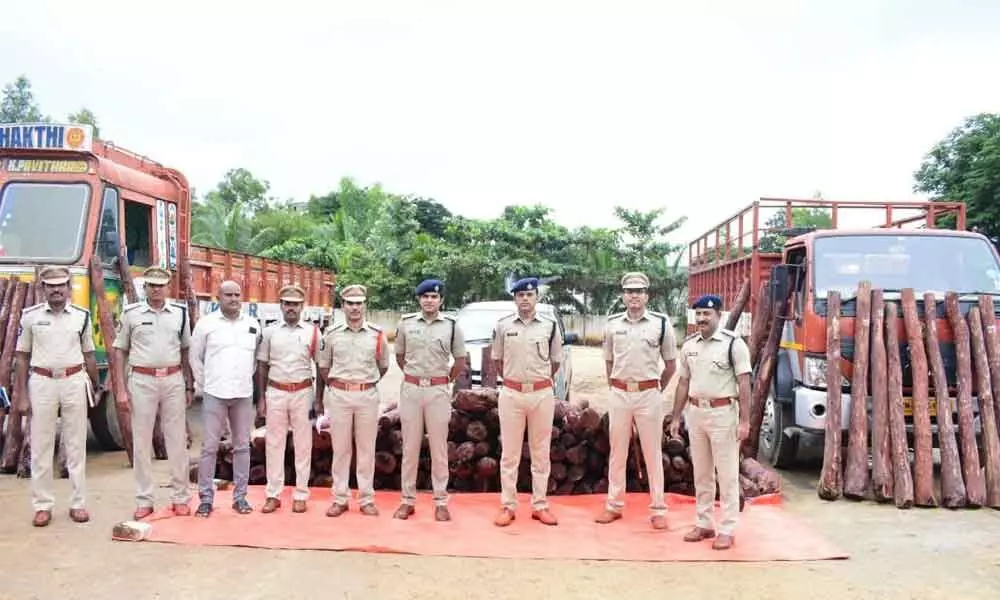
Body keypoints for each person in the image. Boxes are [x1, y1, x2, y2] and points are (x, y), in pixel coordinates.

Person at [15, 265, 100, 527]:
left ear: (68, 288)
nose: (56, 291)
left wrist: (96, 385)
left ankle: (78, 503)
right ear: (43, 288)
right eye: (50, 286)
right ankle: (42, 505)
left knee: (76, 444)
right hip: (41, 381)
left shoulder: (81, 317)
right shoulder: (29, 317)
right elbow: (21, 356)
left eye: (61, 285)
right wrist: (21, 394)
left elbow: (88, 354)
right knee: (41, 445)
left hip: (74, 379)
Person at [668, 294, 752, 550]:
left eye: (707, 314)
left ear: (719, 315)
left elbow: (745, 383)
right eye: (699, 314)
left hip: (723, 414)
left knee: (726, 474)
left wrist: (745, 421)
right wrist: (675, 416)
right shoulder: (690, 345)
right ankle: (704, 523)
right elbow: (683, 382)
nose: (702, 318)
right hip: (696, 414)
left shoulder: (732, 345)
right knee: (701, 473)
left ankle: (727, 528)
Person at [112, 266, 195, 520]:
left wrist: (189, 385)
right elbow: (119, 351)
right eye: (151, 285)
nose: (156, 289)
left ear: (168, 287)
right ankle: (144, 499)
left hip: (172, 379)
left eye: (160, 285)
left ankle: (180, 497)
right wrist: (120, 389)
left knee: (177, 440)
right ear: (144, 287)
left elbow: (185, 351)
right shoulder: (132, 314)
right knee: (141, 441)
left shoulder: (180, 314)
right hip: (142, 380)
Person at [595, 272, 676, 529]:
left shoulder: (661, 324)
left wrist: (655, 389)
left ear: (647, 296)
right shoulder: (612, 324)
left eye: (639, 291)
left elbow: (671, 365)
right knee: (617, 452)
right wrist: (616, 387)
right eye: (629, 291)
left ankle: (658, 509)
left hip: (649, 394)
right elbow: (608, 361)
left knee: (653, 453)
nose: (634, 296)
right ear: (623, 295)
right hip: (619, 393)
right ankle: (614, 505)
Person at [392, 279, 467, 522]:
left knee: (439, 448)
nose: (429, 301)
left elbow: (459, 362)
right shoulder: (405, 324)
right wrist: (415, 377)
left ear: (441, 300)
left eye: (434, 297)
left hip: (437, 391)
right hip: (412, 389)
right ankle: (407, 500)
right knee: (410, 448)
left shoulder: (452, 327)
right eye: (425, 297)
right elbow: (400, 357)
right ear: (419, 299)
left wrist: (443, 380)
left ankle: (441, 501)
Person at [491, 277, 562, 527]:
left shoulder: (550, 326)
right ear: (514, 298)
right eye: (520, 295)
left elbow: (555, 362)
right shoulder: (502, 326)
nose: (524, 299)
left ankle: (540, 505)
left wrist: (536, 382)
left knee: (541, 453)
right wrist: (515, 380)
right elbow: (497, 361)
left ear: (536, 298)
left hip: (541, 394)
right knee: (509, 454)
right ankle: (508, 506)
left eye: (529, 295)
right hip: (511, 394)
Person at [190, 280, 261, 517]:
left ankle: (240, 497)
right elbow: (195, 357)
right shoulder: (206, 325)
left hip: (242, 394)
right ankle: (205, 499)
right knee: (209, 448)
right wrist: (205, 383)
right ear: (218, 297)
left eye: (237, 294)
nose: (233, 299)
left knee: (242, 446)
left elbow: (254, 362)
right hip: (215, 394)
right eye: (228, 294)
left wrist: (242, 379)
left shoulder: (252, 325)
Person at [316, 284, 389, 517]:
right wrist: (340, 386)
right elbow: (324, 367)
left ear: (365, 305)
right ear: (342, 306)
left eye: (359, 303)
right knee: (341, 449)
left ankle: (366, 498)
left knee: (367, 449)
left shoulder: (377, 334)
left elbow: (384, 366)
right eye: (350, 303)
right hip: (340, 396)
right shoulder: (332, 334)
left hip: (367, 395)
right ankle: (340, 498)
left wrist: (364, 384)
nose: (355, 307)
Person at [256, 284, 319, 514]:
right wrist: (261, 398)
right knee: (274, 444)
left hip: (303, 392)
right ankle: (273, 494)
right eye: (287, 303)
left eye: (295, 304)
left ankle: (301, 493)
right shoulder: (270, 332)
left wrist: (319, 400)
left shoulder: (312, 332)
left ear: (302, 307)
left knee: (304, 444)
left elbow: (320, 366)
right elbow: (262, 365)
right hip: (276, 392)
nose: (291, 308)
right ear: (280, 306)